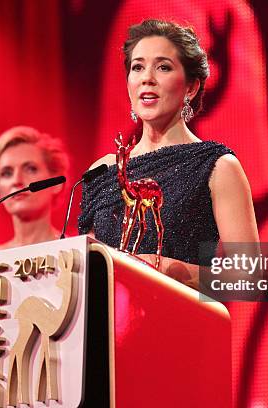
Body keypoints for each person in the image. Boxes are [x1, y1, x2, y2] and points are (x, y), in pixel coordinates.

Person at [78, 20, 258, 284]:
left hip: (180, 319)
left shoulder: (216, 165)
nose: (147, 78)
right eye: (137, 67)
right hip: (109, 323)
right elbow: (84, 269)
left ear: (191, 87)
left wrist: (171, 270)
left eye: (163, 67)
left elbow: (249, 275)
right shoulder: (102, 171)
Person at [0, 126, 69, 254]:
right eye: (7, 173)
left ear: (56, 183)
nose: (17, 180)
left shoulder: (75, 252)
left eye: (31, 169)